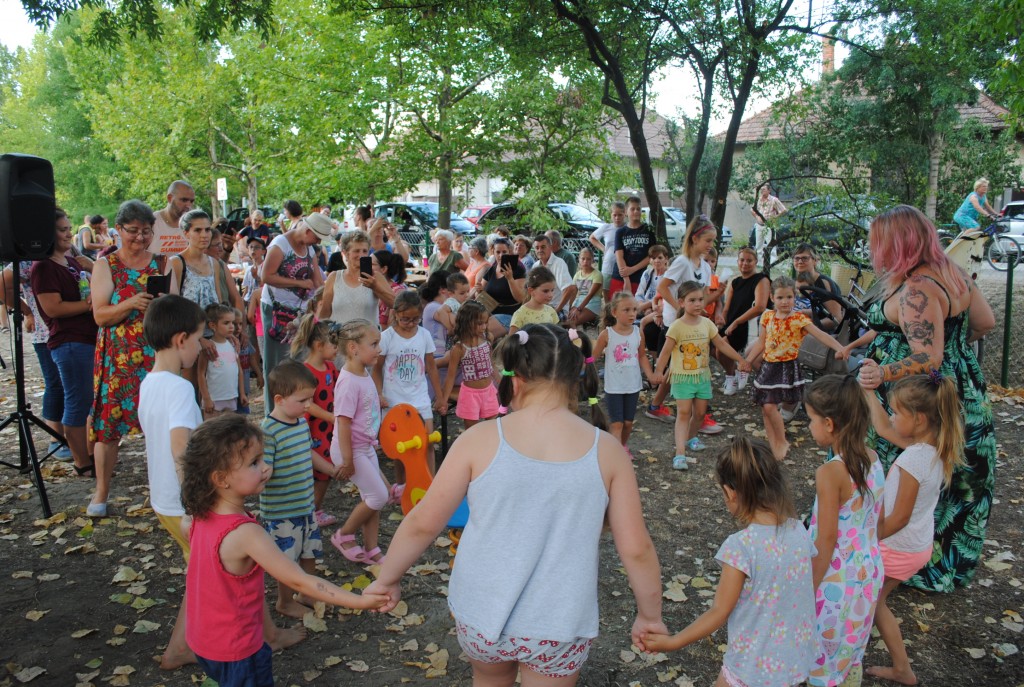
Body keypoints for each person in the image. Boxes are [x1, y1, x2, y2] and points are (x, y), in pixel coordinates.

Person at [365, 324, 666, 684]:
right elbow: (636, 549)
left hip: (481, 615)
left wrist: (387, 579)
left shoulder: (478, 439)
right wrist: (650, 616)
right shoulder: (608, 452)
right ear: (577, 378)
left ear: (515, 379)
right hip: (558, 624)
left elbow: (422, 523)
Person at [180, 415, 386, 686]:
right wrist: (360, 601)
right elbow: (299, 581)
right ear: (221, 478)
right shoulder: (246, 533)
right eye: (254, 463)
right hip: (238, 651)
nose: (266, 467)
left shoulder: (197, 517)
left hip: (202, 641)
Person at [857, 204, 996, 593]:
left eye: (878, 241)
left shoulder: (917, 287)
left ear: (897, 243)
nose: (874, 249)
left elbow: (928, 357)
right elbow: (984, 322)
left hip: (916, 398)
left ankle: (891, 558)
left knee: (899, 472)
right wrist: (954, 351)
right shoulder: (952, 272)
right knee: (954, 476)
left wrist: (883, 373)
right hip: (962, 389)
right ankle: (939, 563)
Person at [641, 437, 816, 687]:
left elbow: (719, 611)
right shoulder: (799, 531)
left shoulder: (741, 547)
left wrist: (673, 641)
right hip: (793, 664)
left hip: (750, 668)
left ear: (730, 493)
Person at [863, 373, 964, 685]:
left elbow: (899, 518)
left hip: (897, 547)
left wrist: (865, 540)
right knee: (873, 599)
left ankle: (902, 669)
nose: (892, 417)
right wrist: (868, 392)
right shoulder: (932, 448)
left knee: (874, 602)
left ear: (919, 419)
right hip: (915, 546)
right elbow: (883, 428)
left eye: (896, 412)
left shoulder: (914, 460)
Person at [90, 199, 177, 517]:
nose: (140, 237)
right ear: (118, 229)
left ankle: (166, 492)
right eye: (133, 231)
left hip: (155, 356)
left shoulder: (163, 262)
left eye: (146, 231)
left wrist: (163, 304)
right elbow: (100, 315)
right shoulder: (106, 265)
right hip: (118, 359)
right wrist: (130, 304)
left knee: (163, 426)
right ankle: (101, 492)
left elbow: (174, 308)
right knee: (109, 427)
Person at [137, 295, 206, 670]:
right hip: (183, 504)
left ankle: (264, 631)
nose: (200, 346)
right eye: (198, 338)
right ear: (181, 340)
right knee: (212, 571)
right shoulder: (180, 388)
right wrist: (195, 504)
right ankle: (179, 649)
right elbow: (181, 446)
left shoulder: (150, 382)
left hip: (164, 500)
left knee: (205, 570)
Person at [804, 375, 884, 687]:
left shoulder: (830, 472)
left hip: (834, 581)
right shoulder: (873, 459)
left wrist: (806, 589)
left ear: (829, 423)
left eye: (811, 419)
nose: (809, 426)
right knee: (849, 649)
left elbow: (825, 540)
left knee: (822, 660)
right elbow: (876, 520)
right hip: (868, 572)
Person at [260, 360, 338, 619]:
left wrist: (330, 469)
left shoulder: (300, 424)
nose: (308, 405)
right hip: (282, 511)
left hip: (305, 506)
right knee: (286, 560)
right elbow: (264, 467)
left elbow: (309, 453)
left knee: (309, 552)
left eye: (311, 399)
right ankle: (284, 600)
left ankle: (307, 593)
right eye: (303, 400)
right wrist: (262, 472)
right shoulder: (269, 431)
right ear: (279, 399)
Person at [744, 276, 846, 461]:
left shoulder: (799, 319)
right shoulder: (767, 316)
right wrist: (748, 361)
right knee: (766, 408)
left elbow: (821, 335)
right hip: (769, 366)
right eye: (780, 297)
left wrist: (840, 347)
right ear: (772, 298)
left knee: (770, 406)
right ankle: (773, 442)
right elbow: (761, 343)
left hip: (786, 367)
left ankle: (781, 441)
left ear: (794, 297)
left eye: (789, 297)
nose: (785, 301)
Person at [651, 281, 750, 470]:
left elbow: (721, 344)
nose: (697, 304)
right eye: (692, 300)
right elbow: (665, 352)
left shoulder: (707, 323)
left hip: (702, 377)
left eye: (700, 300)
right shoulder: (677, 327)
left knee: (700, 414)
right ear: (681, 302)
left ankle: (690, 438)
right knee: (683, 413)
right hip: (682, 378)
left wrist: (740, 360)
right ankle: (680, 454)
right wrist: (658, 371)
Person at [30, 208, 99, 476]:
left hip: (88, 337)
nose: (69, 234)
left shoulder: (72, 261)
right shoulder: (43, 267)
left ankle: (90, 454)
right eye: (62, 230)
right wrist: (88, 304)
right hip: (69, 342)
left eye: (69, 228)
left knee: (89, 401)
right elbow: (53, 308)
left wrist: (92, 269)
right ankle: (82, 462)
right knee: (77, 402)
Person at [329, 319, 397, 565]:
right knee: (377, 496)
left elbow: (362, 408)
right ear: (353, 348)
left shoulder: (363, 372)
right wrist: (347, 460)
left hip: (364, 447)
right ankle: (344, 535)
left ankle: (371, 548)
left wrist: (377, 400)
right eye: (374, 344)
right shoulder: (348, 381)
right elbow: (343, 423)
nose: (379, 349)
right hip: (350, 450)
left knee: (375, 497)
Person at [647, 216, 716, 426]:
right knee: (687, 367)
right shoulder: (682, 262)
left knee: (679, 367)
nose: (711, 245)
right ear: (695, 238)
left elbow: (703, 297)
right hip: (676, 323)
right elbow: (662, 287)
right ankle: (698, 416)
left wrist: (706, 307)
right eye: (708, 240)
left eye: (712, 241)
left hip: (693, 324)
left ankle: (656, 406)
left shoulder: (705, 267)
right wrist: (680, 309)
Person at [1, 258, 70, 461]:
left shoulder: (72, 256)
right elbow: (2, 285)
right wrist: (27, 310)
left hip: (78, 333)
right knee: (56, 385)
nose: (66, 239)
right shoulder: (30, 260)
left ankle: (76, 437)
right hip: (46, 333)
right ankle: (56, 438)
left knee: (75, 387)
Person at [374, 291, 448, 474]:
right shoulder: (387, 337)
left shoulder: (424, 335)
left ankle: (430, 481)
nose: (411, 323)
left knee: (427, 441)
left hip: (419, 397)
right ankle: (401, 484)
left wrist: (440, 397)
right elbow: (377, 368)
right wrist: (379, 394)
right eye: (405, 319)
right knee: (400, 447)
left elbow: (431, 367)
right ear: (395, 314)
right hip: (394, 399)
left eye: (416, 319)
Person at [261, 213, 327, 410]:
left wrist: (326, 295)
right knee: (276, 364)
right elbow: (266, 276)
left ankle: (293, 410)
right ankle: (273, 412)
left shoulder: (309, 248)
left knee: (297, 360)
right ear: (307, 231)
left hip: (299, 311)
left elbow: (317, 281)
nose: (318, 242)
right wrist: (299, 283)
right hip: (276, 310)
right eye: (317, 237)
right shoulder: (280, 244)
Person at [289, 314, 341, 528]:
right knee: (318, 472)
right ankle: (311, 512)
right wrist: (333, 418)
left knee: (324, 473)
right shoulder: (306, 372)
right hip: (312, 430)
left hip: (328, 428)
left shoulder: (330, 368)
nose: (338, 349)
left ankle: (313, 509)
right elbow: (308, 405)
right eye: (334, 344)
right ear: (319, 345)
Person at [592, 292, 655, 458]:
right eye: (626, 310)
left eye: (634, 309)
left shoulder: (638, 332)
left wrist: (650, 375)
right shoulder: (607, 334)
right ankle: (616, 456)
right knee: (617, 424)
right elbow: (593, 357)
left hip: (633, 385)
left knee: (628, 423)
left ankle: (621, 446)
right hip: (614, 387)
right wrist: (581, 366)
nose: (632, 314)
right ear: (614, 312)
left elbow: (642, 356)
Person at [718, 247, 769, 396]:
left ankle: (741, 368)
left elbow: (760, 307)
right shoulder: (735, 282)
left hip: (750, 325)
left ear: (756, 262)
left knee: (722, 347)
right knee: (715, 346)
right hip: (733, 323)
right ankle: (733, 373)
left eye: (749, 260)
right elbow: (727, 308)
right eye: (742, 260)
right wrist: (722, 321)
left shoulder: (761, 280)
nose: (745, 263)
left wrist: (737, 322)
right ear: (737, 261)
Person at [441, 301, 500, 430]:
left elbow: (491, 365)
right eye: (479, 323)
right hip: (470, 395)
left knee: (493, 428)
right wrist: (443, 400)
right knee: (471, 431)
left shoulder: (488, 338)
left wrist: (502, 383)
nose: (484, 327)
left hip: (489, 392)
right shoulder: (459, 348)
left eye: (485, 323)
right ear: (467, 322)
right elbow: (450, 377)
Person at [319, 231, 394, 331]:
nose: (361, 255)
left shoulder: (375, 277)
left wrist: (375, 287)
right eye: (356, 251)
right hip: (339, 337)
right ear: (345, 253)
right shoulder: (334, 277)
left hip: (368, 338)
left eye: (365, 251)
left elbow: (394, 303)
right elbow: (325, 312)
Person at [198, 303, 246, 418]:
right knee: (212, 428)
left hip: (231, 397)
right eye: (226, 323)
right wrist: (206, 398)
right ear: (213, 325)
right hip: (214, 400)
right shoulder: (209, 348)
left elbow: (239, 370)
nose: (231, 327)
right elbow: (200, 373)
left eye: (232, 323)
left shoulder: (233, 345)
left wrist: (242, 393)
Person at [478, 237, 527, 338]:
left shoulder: (517, 269)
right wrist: (479, 290)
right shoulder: (493, 268)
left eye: (504, 252)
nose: (501, 255)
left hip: (510, 316)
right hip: (489, 312)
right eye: (498, 252)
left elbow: (521, 298)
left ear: (509, 252)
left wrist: (510, 279)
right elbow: (480, 291)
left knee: (480, 333)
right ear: (493, 252)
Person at [791, 243, 842, 331]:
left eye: (805, 258)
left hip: (822, 333)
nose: (800, 261)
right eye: (797, 258)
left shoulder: (823, 283)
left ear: (815, 261)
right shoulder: (796, 282)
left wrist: (805, 327)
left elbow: (837, 319)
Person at [610, 196, 655, 296]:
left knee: (637, 305)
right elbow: (619, 256)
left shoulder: (648, 230)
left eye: (638, 209)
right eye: (632, 209)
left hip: (639, 277)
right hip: (620, 277)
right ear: (626, 212)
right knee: (617, 304)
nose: (636, 211)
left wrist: (632, 270)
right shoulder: (620, 232)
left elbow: (651, 256)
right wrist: (626, 279)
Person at [531, 234, 576, 316]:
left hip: (556, 308)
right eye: (537, 248)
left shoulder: (559, 263)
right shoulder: (535, 265)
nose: (540, 250)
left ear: (550, 247)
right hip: (540, 307)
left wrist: (556, 311)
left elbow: (569, 289)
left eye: (543, 247)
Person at [589, 201, 627, 297]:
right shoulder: (606, 227)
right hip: (608, 268)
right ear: (611, 215)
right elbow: (592, 238)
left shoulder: (628, 228)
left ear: (625, 214)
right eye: (614, 215)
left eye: (620, 215)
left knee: (621, 296)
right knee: (607, 295)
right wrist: (603, 249)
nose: (617, 218)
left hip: (623, 268)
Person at [509, 267, 559, 335]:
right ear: (531, 290)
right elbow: (512, 339)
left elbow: (558, 336)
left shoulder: (551, 311)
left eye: (552, 290)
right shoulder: (520, 314)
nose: (550, 295)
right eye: (545, 291)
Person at [152, 180, 196, 255]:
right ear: (170, 198)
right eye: (184, 200)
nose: (188, 205)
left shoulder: (194, 225)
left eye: (191, 201)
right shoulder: (151, 222)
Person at [565, 246, 604, 328]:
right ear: (579, 259)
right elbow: (573, 293)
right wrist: (569, 307)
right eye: (583, 259)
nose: (585, 261)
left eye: (588, 259)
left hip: (593, 303)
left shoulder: (597, 274)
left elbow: (590, 295)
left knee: (572, 322)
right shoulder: (577, 274)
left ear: (593, 260)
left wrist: (578, 309)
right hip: (579, 301)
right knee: (566, 319)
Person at [751, 184, 787, 263]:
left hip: (769, 226)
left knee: (771, 244)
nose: (762, 191)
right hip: (759, 225)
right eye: (761, 189)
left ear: (769, 190)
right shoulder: (759, 199)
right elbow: (752, 210)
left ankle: (772, 261)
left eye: (764, 189)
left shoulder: (774, 200)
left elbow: (784, 210)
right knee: (758, 245)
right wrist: (756, 217)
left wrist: (775, 217)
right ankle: (760, 262)